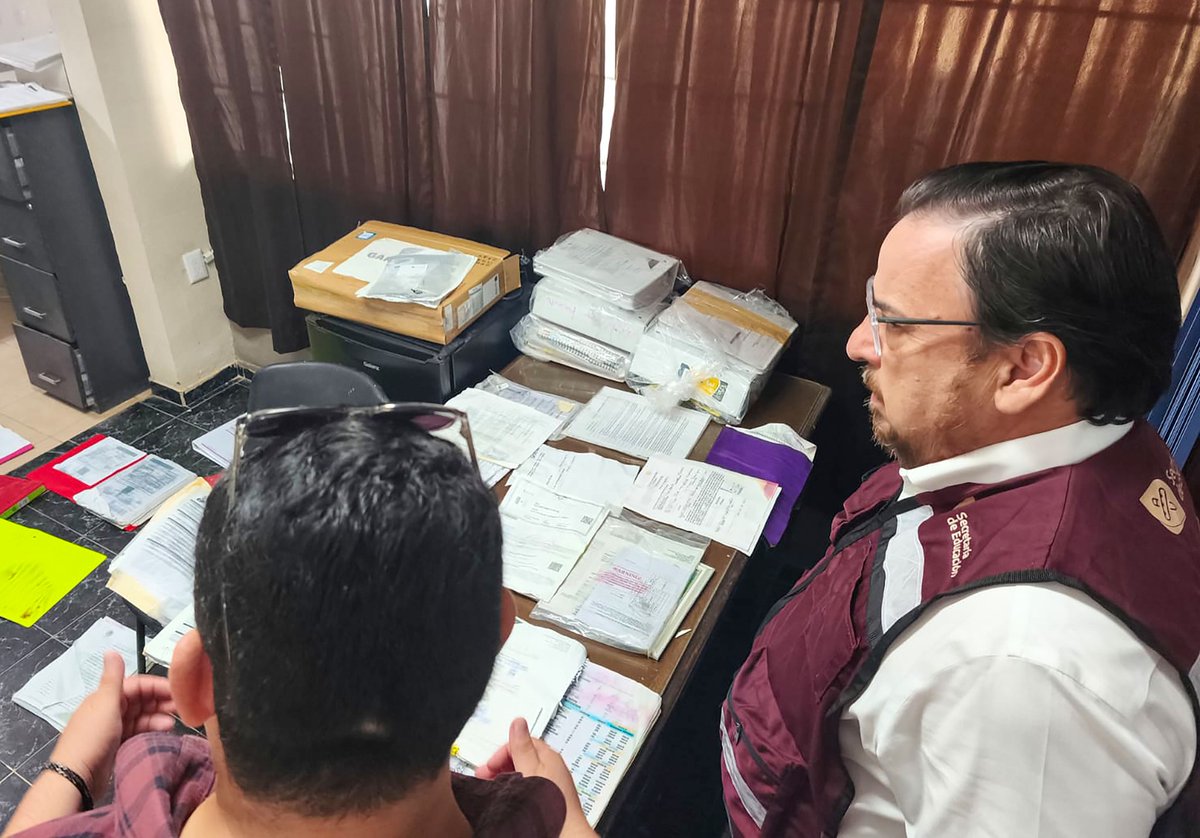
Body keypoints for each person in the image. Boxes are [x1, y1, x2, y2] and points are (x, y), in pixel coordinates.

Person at [719, 162, 1200, 836]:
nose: (859, 343)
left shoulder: (1022, 669)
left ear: (1023, 369)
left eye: (894, 323)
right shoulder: (1096, 439)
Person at [2, 412, 593, 838]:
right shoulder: (538, 818)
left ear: (196, 682)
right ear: (498, 631)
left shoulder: (137, 795)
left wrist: (70, 771)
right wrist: (563, 819)